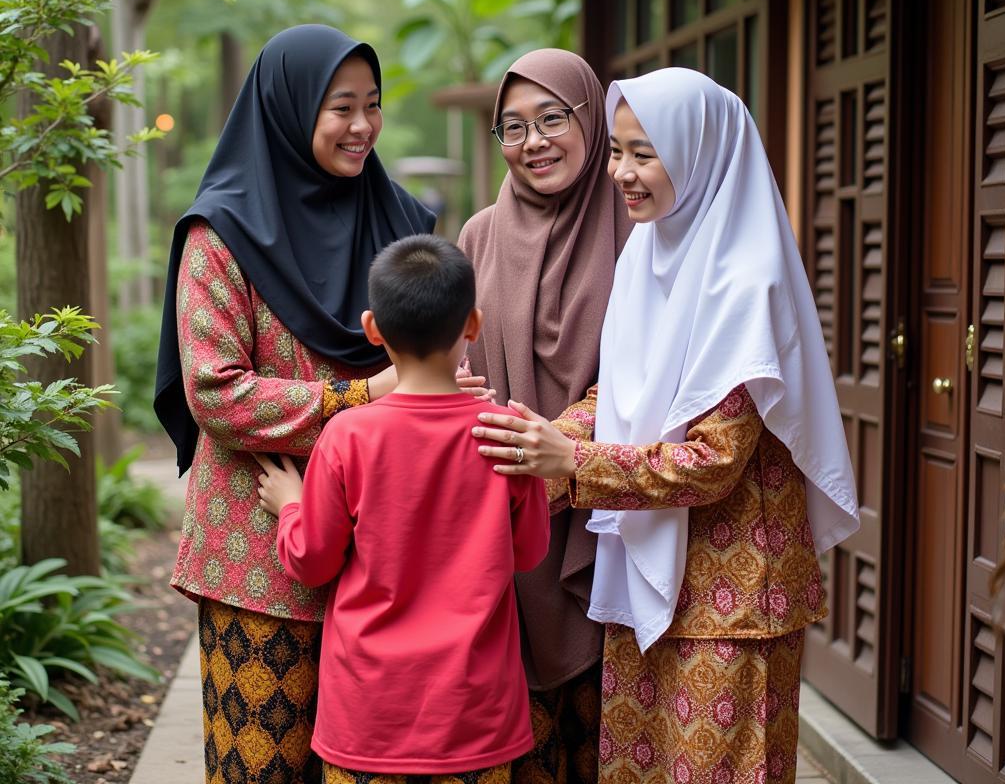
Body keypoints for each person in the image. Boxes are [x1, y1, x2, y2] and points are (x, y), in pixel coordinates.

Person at [473, 68, 860, 784]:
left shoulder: (749, 281)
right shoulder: (651, 252)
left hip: (735, 598)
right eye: (617, 151)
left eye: (642, 153)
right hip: (655, 573)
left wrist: (572, 462)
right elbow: (621, 392)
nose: (620, 171)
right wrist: (545, 436)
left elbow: (712, 459)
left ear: (698, 150)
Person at [153, 25, 452, 784]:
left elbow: (436, 364)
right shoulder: (220, 236)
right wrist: (360, 395)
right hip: (259, 563)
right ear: (289, 110)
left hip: (383, 559)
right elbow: (217, 392)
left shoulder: (401, 223)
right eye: (340, 107)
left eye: (374, 105)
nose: (363, 126)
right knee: (263, 770)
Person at [254, 234, 551, 782]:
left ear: (372, 329)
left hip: (369, 714)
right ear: (473, 325)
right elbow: (528, 552)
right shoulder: (501, 436)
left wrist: (292, 507)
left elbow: (313, 561)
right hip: (475, 715)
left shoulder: (347, 437)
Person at [458, 49, 632, 784]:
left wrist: (566, 445)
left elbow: (658, 380)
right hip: (512, 522)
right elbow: (460, 376)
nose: (534, 142)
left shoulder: (640, 226)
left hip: (616, 518)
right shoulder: (478, 236)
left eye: (552, 118)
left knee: (611, 739)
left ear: (590, 117)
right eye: (513, 127)